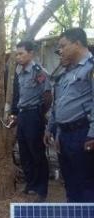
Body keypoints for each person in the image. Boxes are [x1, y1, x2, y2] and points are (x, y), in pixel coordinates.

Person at [45, 28, 94, 202]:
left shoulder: (91, 68)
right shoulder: (67, 73)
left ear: (78, 43)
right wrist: (55, 130)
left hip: (83, 133)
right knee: (70, 181)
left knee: (86, 183)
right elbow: (59, 105)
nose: (61, 50)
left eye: (63, 46)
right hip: (65, 135)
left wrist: (92, 135)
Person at [9, 40, 52, 202]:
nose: (18, 57)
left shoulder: (38, 72)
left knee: (37, 152)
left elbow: (48, 96)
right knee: (25, 151)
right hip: (22, 115)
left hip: (34, 114)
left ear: (31, 53)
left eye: (21, 53)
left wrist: (39, 114)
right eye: (17, 54)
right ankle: (31, 184)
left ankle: (42, 189)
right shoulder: (20, 72)